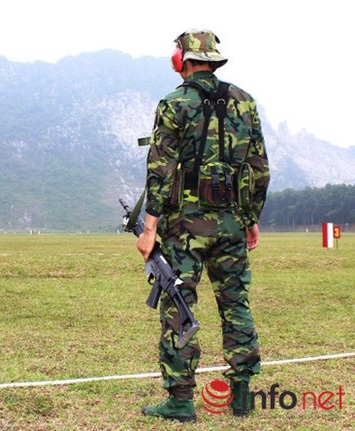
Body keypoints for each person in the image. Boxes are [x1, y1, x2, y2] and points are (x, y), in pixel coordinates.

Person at [136, 28, 270, 422]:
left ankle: (180, 400)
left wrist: (148, 229)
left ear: (183, 59)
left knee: (178, 304)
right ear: (212, 58)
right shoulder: (245, 103)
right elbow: (260, 168)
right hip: (231, 222)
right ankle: (242, 393)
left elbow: (160, 169)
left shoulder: (174, 103)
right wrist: (251, 219)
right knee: (235, 303)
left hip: (185, 228)